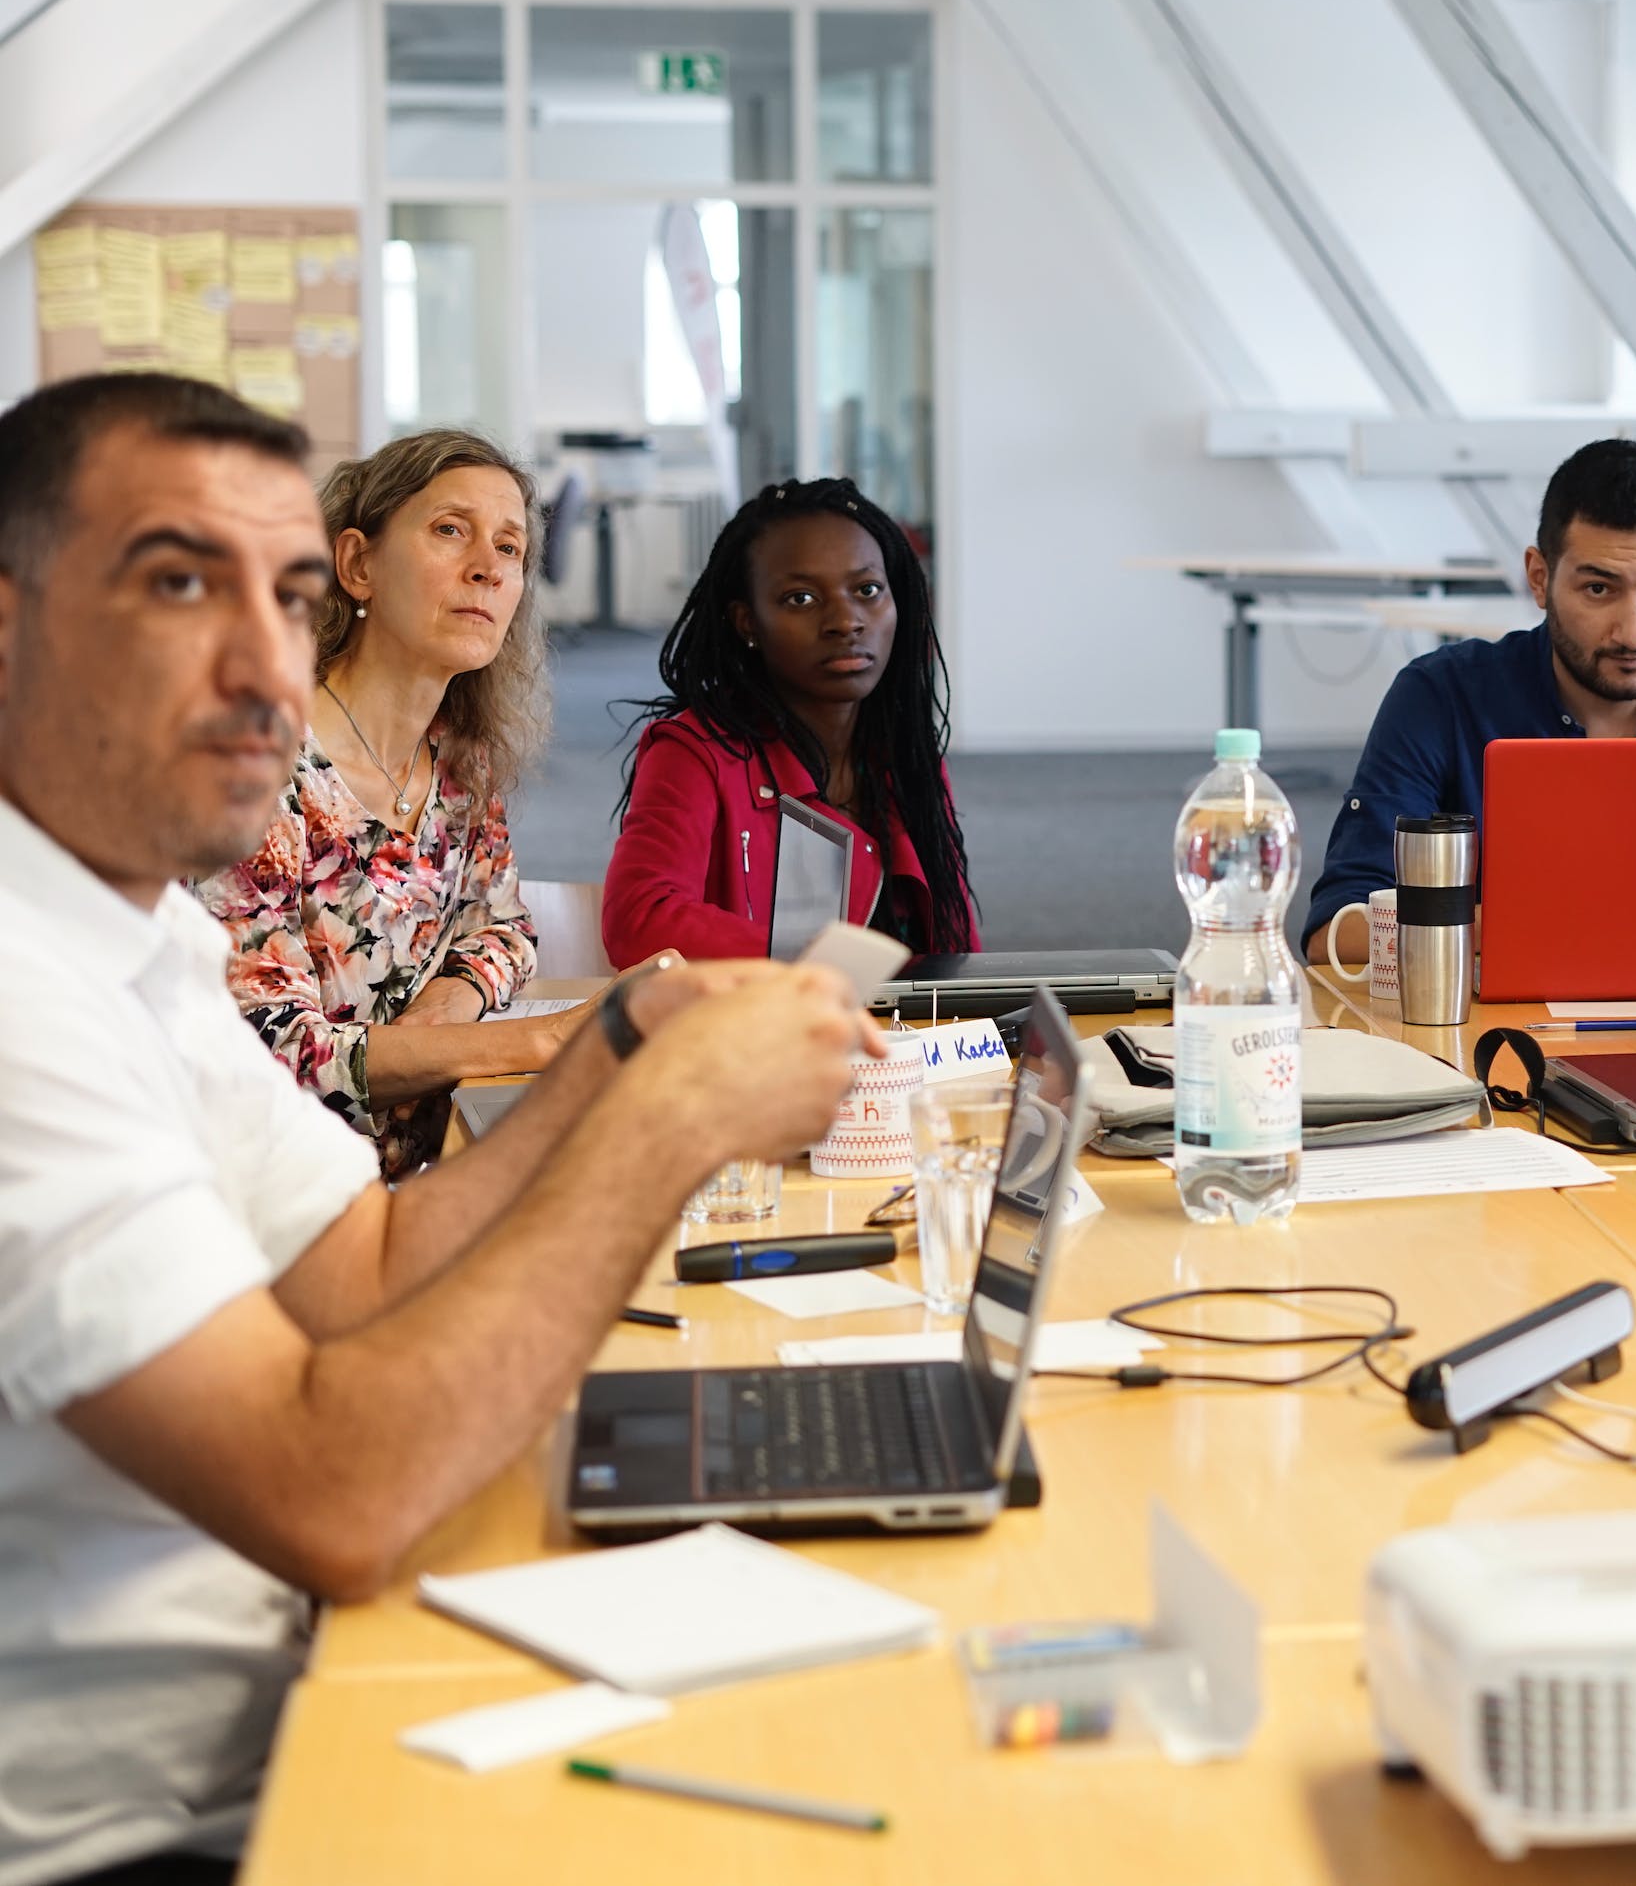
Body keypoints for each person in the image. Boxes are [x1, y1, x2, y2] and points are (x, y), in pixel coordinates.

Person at [0, 371, 865, 1885]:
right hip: (161, 1825)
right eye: (178, 583)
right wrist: (657, 1126)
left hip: (306, 1680)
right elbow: (331, 1492)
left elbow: (370, 1254)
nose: (264, 663)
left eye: (279, 596)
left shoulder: (134, 936)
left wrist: (612, 1046)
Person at [195, 429, 577, 1178]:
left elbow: (503, 928)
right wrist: (534, 1041)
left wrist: (451, 1002)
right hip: (277, 1206)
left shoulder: (461, 754)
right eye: (449, 531)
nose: (486, 570)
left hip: (429, 1172)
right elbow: (271, 1050)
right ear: (358, 565)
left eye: (509, 549)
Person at [1303, 436, 1636, 937]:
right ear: (1539, 577)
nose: (1635, 631)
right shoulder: (1442, 697)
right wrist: (1555, 929)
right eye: (1599, 588)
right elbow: (1341, 923)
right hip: (1504, 1030)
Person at [603, 477, 978, 966]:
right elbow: (639, 921)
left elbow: (955, 944)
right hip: (752, 1034)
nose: (846, 621)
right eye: (801, 598)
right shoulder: (695, 751)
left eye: (867, 590)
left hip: (897, 1039)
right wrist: (833, 969)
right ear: (748, 623)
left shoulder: (905, 752)